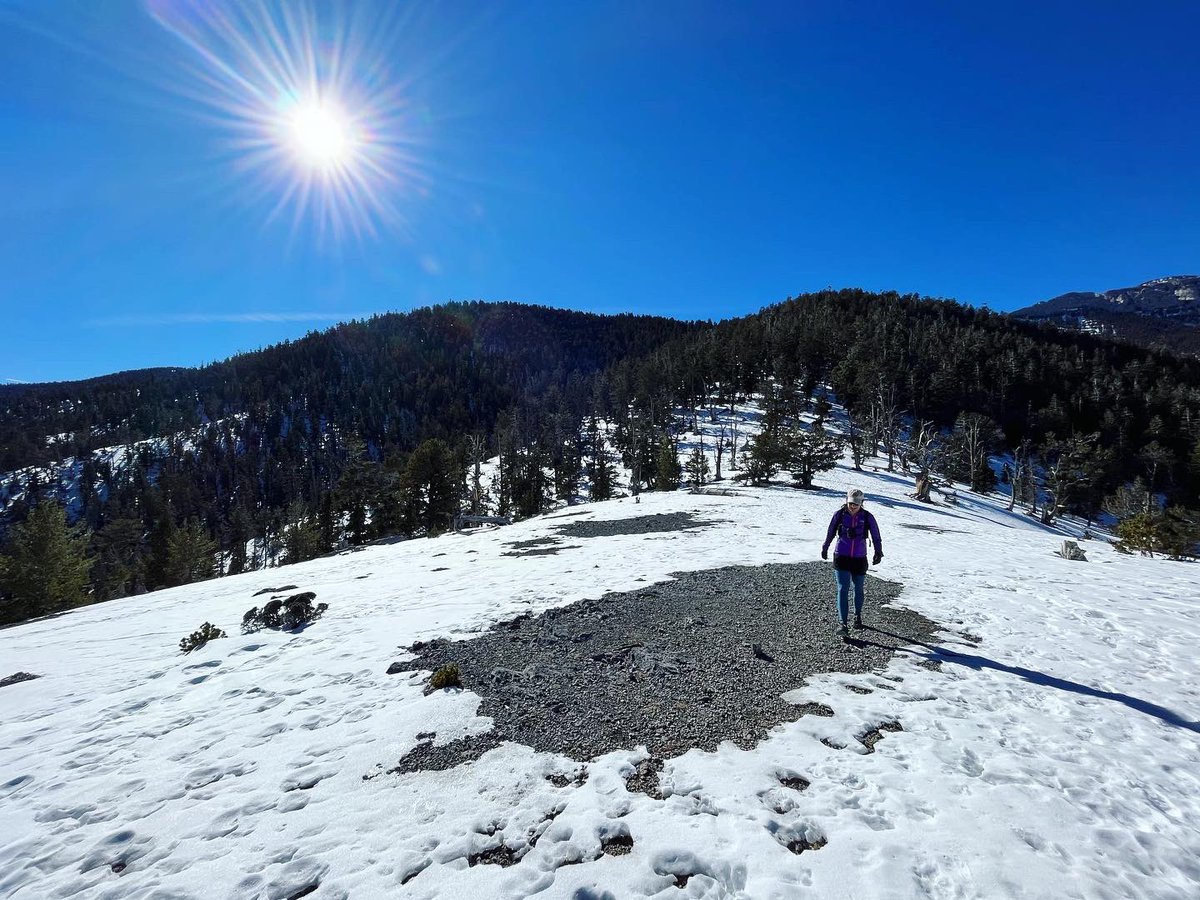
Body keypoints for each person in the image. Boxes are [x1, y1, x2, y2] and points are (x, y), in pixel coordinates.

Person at [820, 489, 883, 638]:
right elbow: (830, 532)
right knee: (843, 588)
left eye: (856, 504)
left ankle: (857, 616)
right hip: (841, 556)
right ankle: (842, 624)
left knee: (858, 588)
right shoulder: (839, 515)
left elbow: (876, 535)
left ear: (861, 503)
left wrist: (878, 552)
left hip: (860, 558)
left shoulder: (867, 517)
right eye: (850, 503)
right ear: (846, 501)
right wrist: (825, 547)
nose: (852, 507)